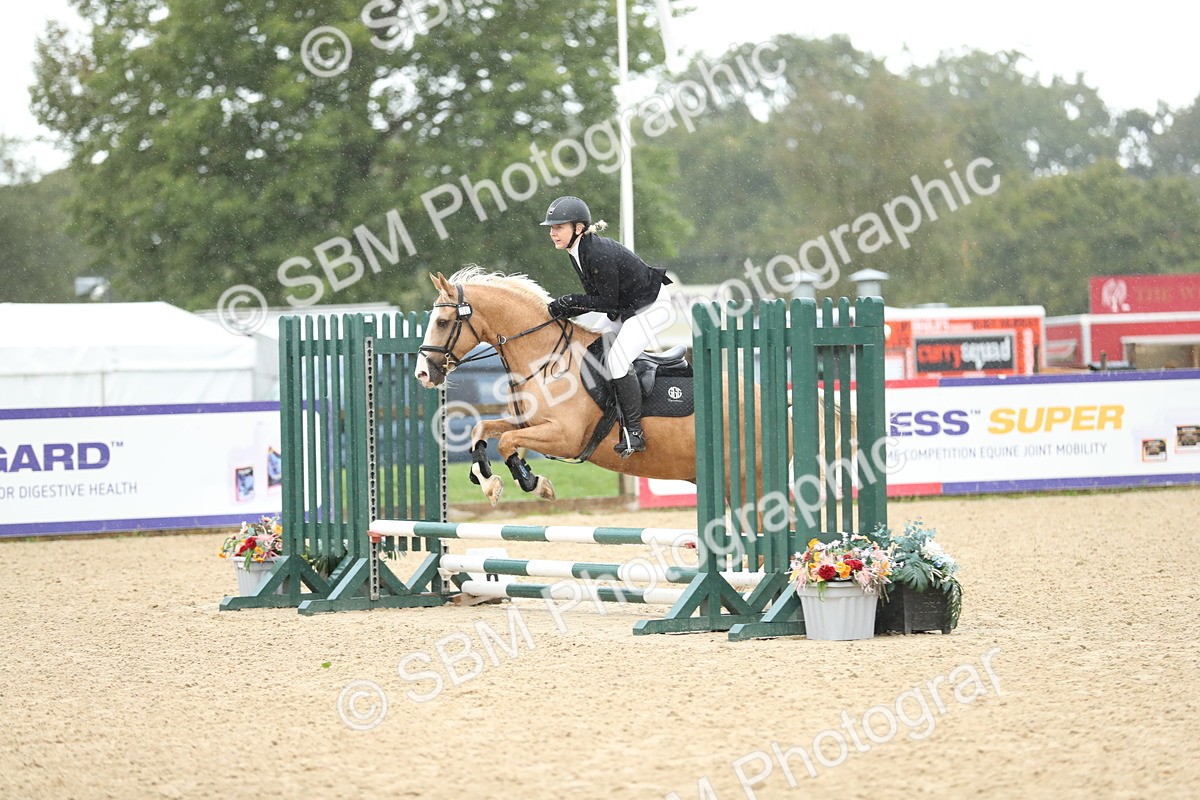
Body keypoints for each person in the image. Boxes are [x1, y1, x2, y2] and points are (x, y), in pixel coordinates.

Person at [540, 195, 674, 457]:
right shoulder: (578, 250)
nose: (553, 233)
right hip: (627, 308)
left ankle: (634, 432)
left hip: (652, 308)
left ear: (578, 228)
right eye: (552, 228)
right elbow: (603, 300)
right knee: (588, 347)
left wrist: (570, 301)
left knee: (617, 361)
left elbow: (606, 302)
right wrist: (569, 306)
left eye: (559, 227)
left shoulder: (597, 253)